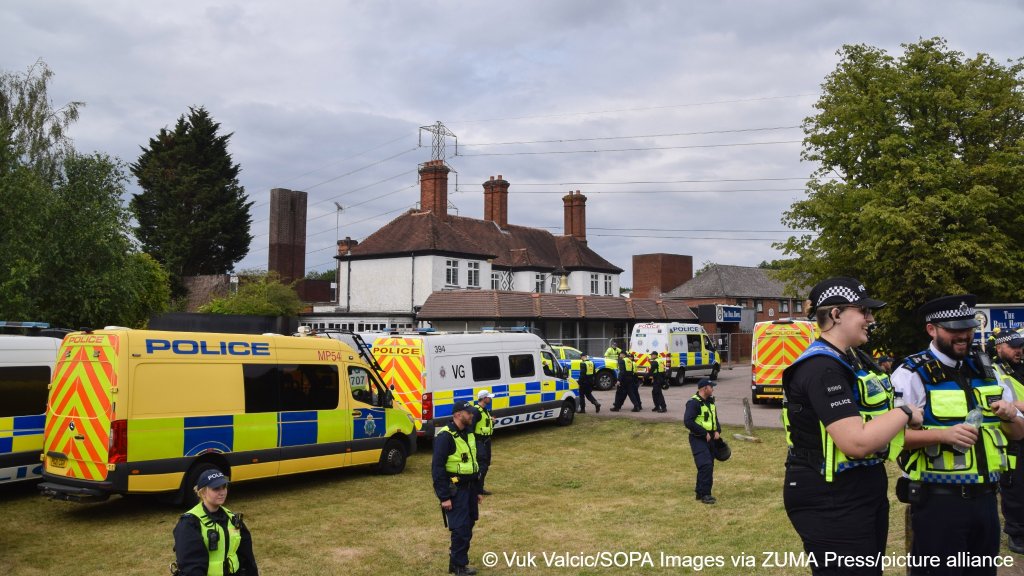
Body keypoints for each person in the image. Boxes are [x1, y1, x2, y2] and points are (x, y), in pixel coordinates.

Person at [782, 277, 922, 576]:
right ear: (835, 315)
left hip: (858, 490)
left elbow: (873, 430)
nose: (871, 319)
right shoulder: (821, 367)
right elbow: (855, 442)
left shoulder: (851, 360)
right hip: (831, 498)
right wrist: (906, 412)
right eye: (863, 311)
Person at [891, 294, 1024, 575]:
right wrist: (942, 435)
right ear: (932, 329)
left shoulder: (989, 371)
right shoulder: (912, 372)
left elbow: (1018, 434)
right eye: (954, 329)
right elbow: (892, 438)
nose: (964, 335)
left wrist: (1010, 415)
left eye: (968, 328)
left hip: (987, 500)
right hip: (938, 502)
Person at [173, 470, 258, 576]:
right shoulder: (189, 523)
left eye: (224, 487)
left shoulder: (232, 518)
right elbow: (191, 568)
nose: (222, 492)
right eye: (216, 488)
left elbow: (247, 557)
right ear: (203, 492)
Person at [432, 401, 483, 576]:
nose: (471, 415)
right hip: (456, 489)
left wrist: (476, 491)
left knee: (468, 524)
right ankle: (459, 566)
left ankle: (456, 562)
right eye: (468, 413)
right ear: (458, 415)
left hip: (469, 489)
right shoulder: (445, 436)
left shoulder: (468, 433)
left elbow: (472, 464)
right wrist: (444, 497)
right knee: (461, 529)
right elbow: (437, 469)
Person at [992, 330, 1024, 554]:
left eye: (1020, 346)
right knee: (1015, 485)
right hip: (1011, 435)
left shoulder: (1021, 368)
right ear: (999, 347)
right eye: (1013, 346)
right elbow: (999, 403)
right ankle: (1017, 533)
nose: (1019, 350)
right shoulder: (993, 371)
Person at [684, 378, 721, 503]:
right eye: (711, 387)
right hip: (698, 438)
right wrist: (703, 433)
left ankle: (700, 492)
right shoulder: (693, 403)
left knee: (708, 466)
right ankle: (705, 494)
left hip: (710, 438)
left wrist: (717, 431)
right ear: (705, 388)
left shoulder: (710, 402)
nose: (713, 389)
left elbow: (714, 419)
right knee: (705, 465)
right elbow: (688, 421)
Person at [470, 390, 494, 496]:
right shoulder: (476, 411)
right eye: (489, 397)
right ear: (484, 398)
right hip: (479, 441)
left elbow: (483, 423)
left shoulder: (484, 410)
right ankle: (476, 489)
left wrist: (491, 421)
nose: (490, 399)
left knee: (486, 464)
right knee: (482, 465)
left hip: (486, 440)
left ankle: (480, 488)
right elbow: (471, 428)